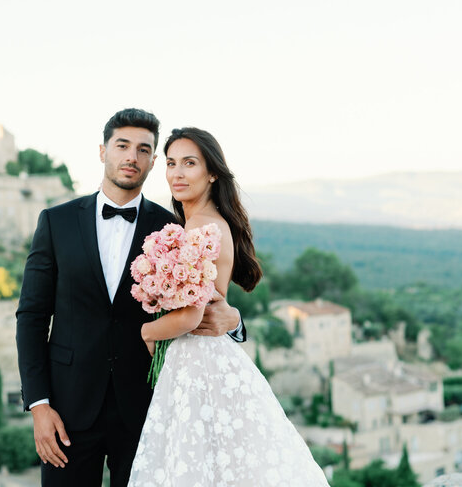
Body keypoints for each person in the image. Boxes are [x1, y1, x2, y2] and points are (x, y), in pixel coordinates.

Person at [16, 110, 246, 487]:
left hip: (147, 408)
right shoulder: (55, 222)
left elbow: (208, 303)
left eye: (143, 150)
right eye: (122, 146)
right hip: (67, 411)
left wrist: (235, 321)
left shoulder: (173, 229)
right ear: (103, 151)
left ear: (153, 162)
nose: (131, 157)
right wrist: (39, 406)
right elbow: (31, 316)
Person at [128, 127, 328, 487]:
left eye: (189, 163)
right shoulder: (196, 223)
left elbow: (192, 316)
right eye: (171, 163)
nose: (177, 173)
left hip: (198, 361)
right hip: (202, 358)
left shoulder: (202, 228)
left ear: (212, 172)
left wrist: (148, 330)